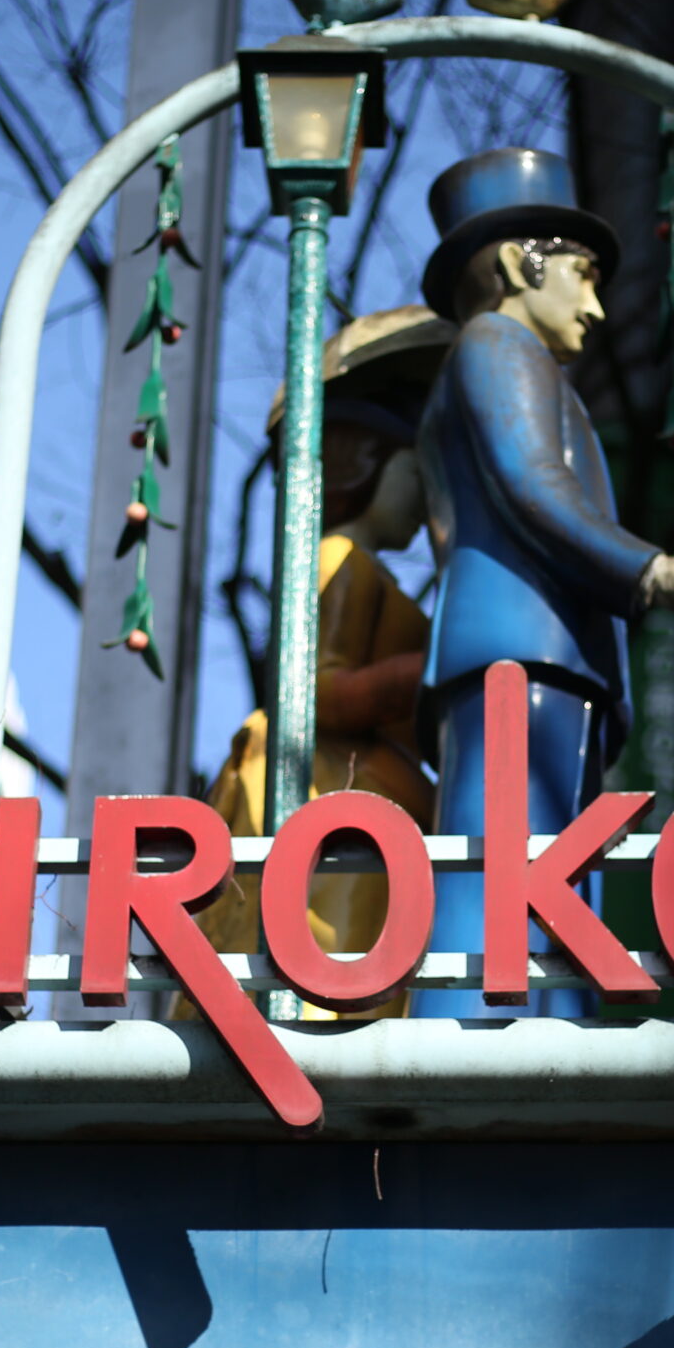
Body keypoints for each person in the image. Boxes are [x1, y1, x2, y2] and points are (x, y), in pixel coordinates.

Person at [411, 148, 674, 1018]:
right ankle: (475, 1039)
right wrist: (656, 569)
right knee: (505, 875)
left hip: (541, 659)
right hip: (520, 656)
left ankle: (538, 1030)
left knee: (541, 879)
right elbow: (535, 486)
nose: (598, 306)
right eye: (582, 275)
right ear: (516, 263)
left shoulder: (513, 359)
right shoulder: (499, 344)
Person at [191, 307, 455, 1020]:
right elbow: (313, 688)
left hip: (376, 798)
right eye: (415, 471)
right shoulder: (339, 559)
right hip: (331, 793)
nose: (426, 495)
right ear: (366, 461)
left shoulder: (372, 572)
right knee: (327, 983)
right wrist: (431, 674)